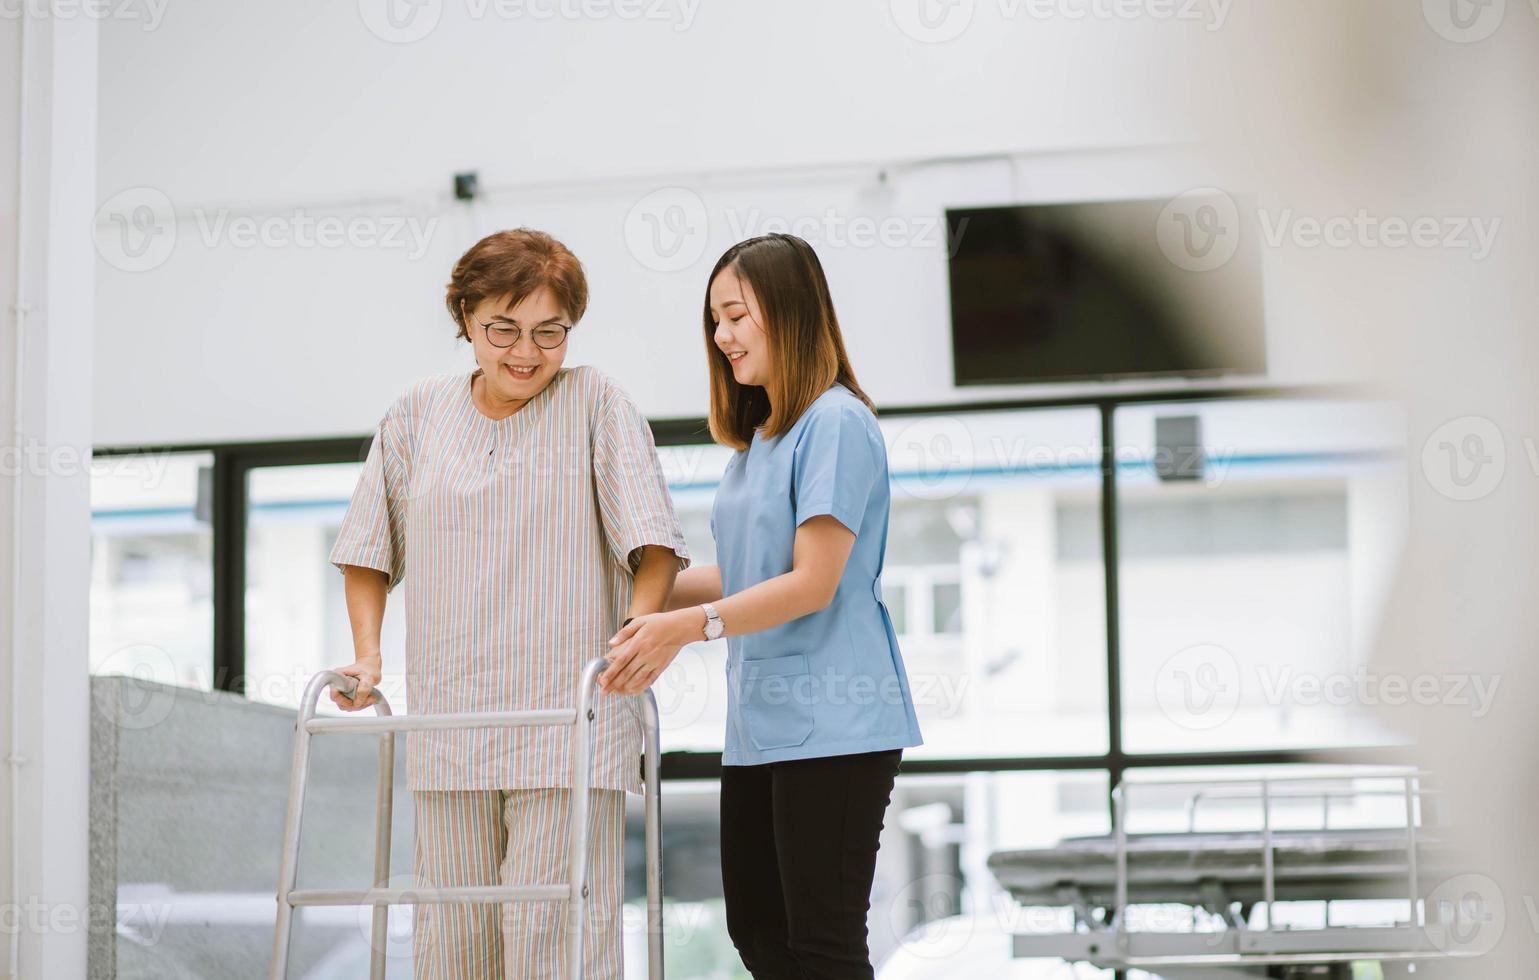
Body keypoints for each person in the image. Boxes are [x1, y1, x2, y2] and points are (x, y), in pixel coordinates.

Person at [327, 227, 689, 979]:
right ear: (464, 318)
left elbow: (651, 547)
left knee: (554, 944)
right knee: (453, 951)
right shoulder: (416, 415)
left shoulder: (596, 403)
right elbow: (367, 549)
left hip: (567, 728)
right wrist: (368, 656)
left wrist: (638, 637)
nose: (525, 353)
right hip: (451, 724)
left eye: (548, 333)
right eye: (502, 330)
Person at [601, 233, 923, 979]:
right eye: (714, 320)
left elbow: (812, 580)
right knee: (758, 936)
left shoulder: (836, 424)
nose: (722, 336)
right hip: (761, 728)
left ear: (789, 312)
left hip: (837, 722)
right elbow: (744, 573)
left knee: (820, 947)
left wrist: (686, 627)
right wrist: (628, 595)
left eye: (736, 316)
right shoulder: (758, 443)